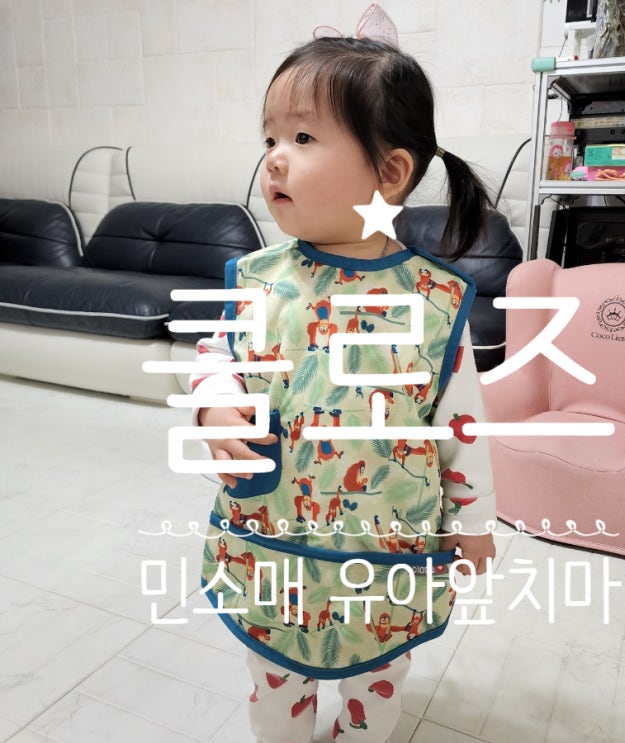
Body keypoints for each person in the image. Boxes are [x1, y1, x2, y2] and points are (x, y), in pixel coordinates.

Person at [190, 22, 496, 743]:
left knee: (376, 683)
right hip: (273, 541)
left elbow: (461, 427)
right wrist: (214, 402)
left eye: (301, 138)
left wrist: (474, 523)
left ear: (389, 173)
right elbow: (217, 352)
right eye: (269, 137)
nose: (273, 158)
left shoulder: (432, 303)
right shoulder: (257, 279)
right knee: (275, 683)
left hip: (385, 551)